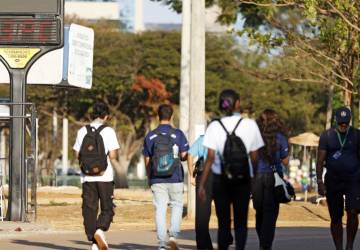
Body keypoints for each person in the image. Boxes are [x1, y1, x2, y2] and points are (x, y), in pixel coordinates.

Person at [198, 89, 264, 250]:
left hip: (220, 180)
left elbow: (210, 158)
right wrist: (255, 177)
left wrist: (202, 184)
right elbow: (255, 156)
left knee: (223, 223)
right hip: (242, 179)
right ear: (237, 103)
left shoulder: (214, 126)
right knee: (241, 221)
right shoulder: (250, 125)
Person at [73, 102, 120, 250]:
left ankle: (94, 241)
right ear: (106, 116)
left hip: (87, 177)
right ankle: (100, 231)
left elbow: (77, 154)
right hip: (105, 176)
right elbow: (112, 155)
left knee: (89, 209)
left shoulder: (82, 131)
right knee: (107, 208)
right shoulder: (109, 131)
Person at [143, 104, 189, 250]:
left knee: (160, 209)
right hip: (176, 177)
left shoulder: (150, 136)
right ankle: (173, 236)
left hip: (157, 178)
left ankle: (162, 245)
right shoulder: (179, 134)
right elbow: (184, 155)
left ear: (158, 116)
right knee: (177, 205)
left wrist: (149, 176)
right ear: (172, 116)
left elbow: (147, 159)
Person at [317, 106, 360, 250]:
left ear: (349, 121)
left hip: (353, 180)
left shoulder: (356, 135)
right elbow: (320, 159)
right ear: (336, 120)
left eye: (346, 122)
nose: (343, 125)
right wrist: (319, 182)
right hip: (333, 180)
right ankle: (339, 247)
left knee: (353, 212)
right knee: (336, 217)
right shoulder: (326, 136)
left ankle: (349, 246)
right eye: (341, 122)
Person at [253, 109, 289, 250]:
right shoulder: (280, 137)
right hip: (274, 178)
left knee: (259, 211)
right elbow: (285, 161)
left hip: (256, 177)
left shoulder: (254, 137)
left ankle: (263, 240)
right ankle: (265, 244)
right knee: (271, 213)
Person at [188, 133, 213, 250]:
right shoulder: (224, 139)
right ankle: (225, 237)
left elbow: (189, 155)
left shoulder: (203, 139)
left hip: (204, 177)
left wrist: (191, 176)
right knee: (224, 212)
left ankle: (202, 245)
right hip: (220, 177)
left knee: (202, 214)